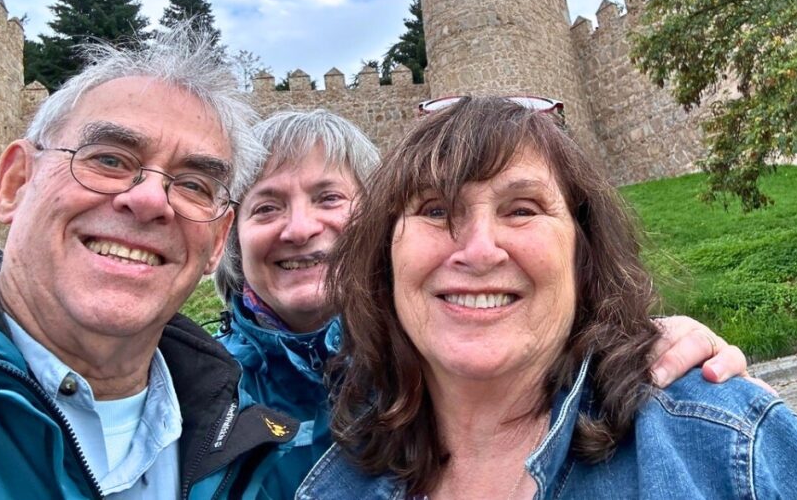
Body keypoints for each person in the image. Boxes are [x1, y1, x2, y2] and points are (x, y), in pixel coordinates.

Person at [298, 96, 797, 499]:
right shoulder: (337, 471)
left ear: (583, 251)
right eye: (435, 210)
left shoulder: (719, 441)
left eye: (522, 209)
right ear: (384, 256)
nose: (477, 250)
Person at [212, 109, 759, 494]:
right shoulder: (193, 394)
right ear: (230, 239)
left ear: (374, 226)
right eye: (265, 208)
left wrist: (647, 346)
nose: (299, 227)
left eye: (329, 197)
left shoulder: (451, 360)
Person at [0, 29, 297, 500]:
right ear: (15, 184)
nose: (149, 200)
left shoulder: (248, 449)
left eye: (193, 185)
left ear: (217, 242)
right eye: (109, 159)